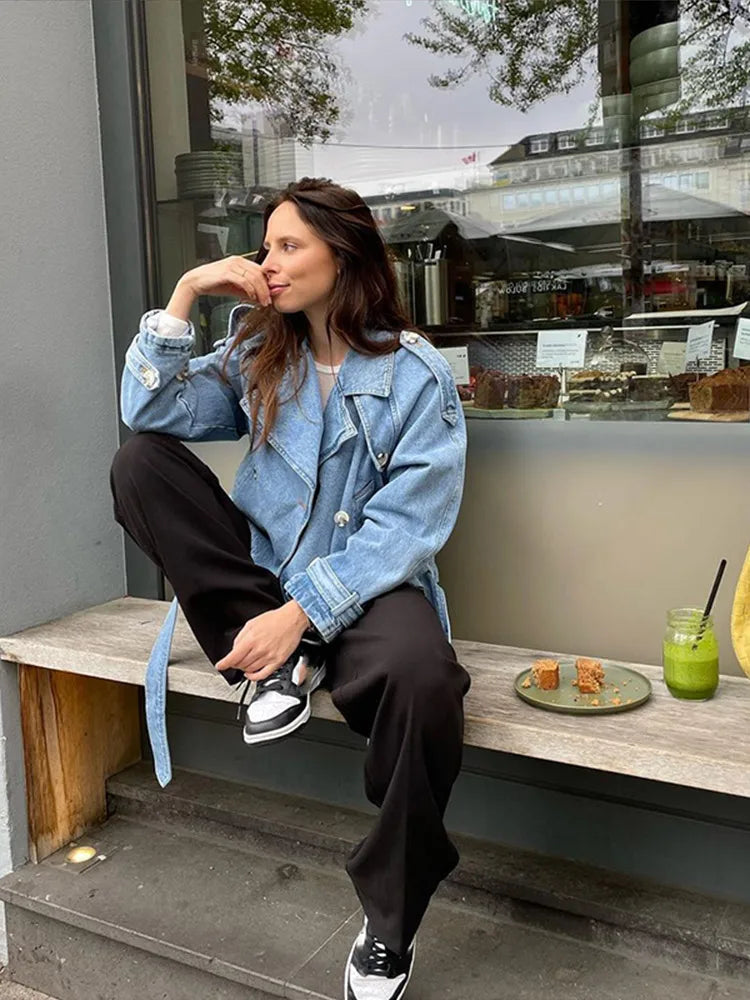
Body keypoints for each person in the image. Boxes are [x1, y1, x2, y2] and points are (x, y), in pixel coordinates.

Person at [110, 176, 471, 1000]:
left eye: (288, 246)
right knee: (138, 465)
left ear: (342, 255)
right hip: (262, 576)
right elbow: (150, 414)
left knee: (425, 681)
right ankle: (278, 667)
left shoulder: (415, 374)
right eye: (265, 246)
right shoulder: (259, 351)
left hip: (367, 583)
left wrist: (303, 615)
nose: (267, 263)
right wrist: (187, 291)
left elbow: (409, 525)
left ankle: (391, 922)